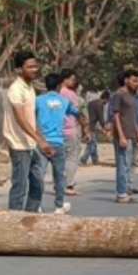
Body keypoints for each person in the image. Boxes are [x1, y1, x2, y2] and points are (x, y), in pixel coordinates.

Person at [3, 51, 53, 213]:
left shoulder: (30, 88)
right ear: (19, 69)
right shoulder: (16, 89)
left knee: (38, 182)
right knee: (20, 185)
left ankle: (31, 217)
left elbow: (32, 118)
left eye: (35, 66)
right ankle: (14, 219)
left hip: (31, 143)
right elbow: (21, 119)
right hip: (18, 144)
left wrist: (42, 139)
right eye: (30, 66)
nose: (34, 69)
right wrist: (40, 140)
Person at [36, 73, 87, 214]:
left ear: (46, 85)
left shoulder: (38, 100)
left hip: (42, 143)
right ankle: (59, 206)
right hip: (58, 142)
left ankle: (37, 204)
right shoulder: (64, 101)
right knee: (59, 176)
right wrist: (85, 127)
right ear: (59, 85)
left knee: (39, 174)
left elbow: (31, 117)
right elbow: (78, 114)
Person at [111, 70, 138, 203]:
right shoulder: (119, 95)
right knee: (122, 164)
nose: (137, 84)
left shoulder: (132, 96)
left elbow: (133, 118)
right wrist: (121, 136)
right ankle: (121, 194)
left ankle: (126, 190)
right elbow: (116, 115)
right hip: (122, 135)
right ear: (126, 80)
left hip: (132, 135)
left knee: (128, 164)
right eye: (134, 81)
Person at [58, 69, 85, 196]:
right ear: (65, 79)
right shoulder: (69, 94)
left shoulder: (58, 93)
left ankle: (59, 183)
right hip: (71, 129)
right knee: (72, 158)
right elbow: (76, 112)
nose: (74, 82)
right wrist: (85, 128)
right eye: (72, 79)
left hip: (60, 130)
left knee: (62, 159)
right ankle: (68, 184)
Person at [80, 90, 110, 166]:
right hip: (92, 126)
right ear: (106, 99)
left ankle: (95, 160)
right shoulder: (100, 104)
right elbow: (101, 118)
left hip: (88, 125)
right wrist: (104, 128)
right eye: (107, 101)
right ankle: (83, 159)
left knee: (93, 143)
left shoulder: (92, 102)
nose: (106, 103)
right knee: (91, 144)